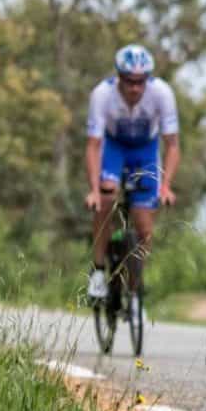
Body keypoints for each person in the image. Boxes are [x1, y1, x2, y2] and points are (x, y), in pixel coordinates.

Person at [84, 44, 180, 304]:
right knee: (105, 198)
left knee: (143, 223)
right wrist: (93, 190)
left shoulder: (162, 94)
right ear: (119, 77)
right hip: (114, 148)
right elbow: (93, 146)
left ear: (147, 79)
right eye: (129, 81)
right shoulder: (102, 95)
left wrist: (166, 186)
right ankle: (99, 271)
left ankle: (135, 287)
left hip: (145, 151)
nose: (135, 88)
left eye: (140, 82)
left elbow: (172, 145)